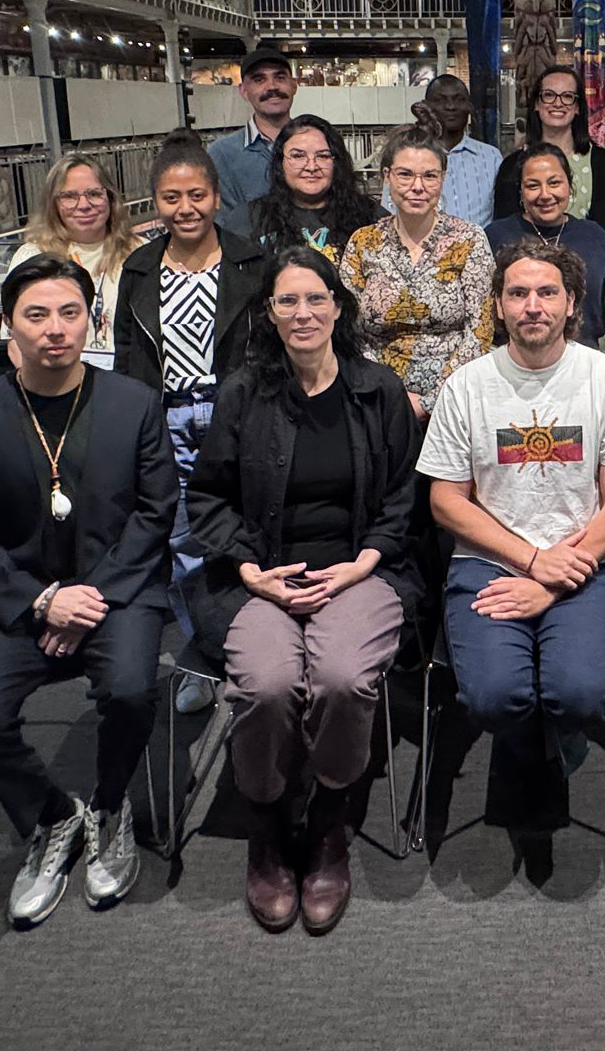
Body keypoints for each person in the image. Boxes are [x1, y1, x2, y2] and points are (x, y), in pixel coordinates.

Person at [181, 247, 422, 935]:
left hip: (362, 571)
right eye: (287, 301)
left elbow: (405, 497)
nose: (302, 312)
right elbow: (209, 499)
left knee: (344, 677)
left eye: (315, 298)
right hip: (261, 574)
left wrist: (362, 564)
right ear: (268, 313)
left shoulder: (378, 390)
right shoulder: (242, 394)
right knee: (266, 682)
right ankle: (265, 819)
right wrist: (254, 573)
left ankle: (325, 824)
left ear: (338, 307)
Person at [0, 254, 176, 927]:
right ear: (8, 325)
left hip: (118, 591)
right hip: (19, 600)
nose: (55, 330)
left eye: (70, 313)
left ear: (90, 319)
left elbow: (156, 514)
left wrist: (86, 599)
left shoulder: (133, 403)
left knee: (131, 690)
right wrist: (42, 602)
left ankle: (109, 802)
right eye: (36, 315)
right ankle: (53, 815)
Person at [417, 238, 605, 841]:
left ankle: (556, 743)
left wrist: (555, 577)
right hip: (488, 563)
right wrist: (531, 561)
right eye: (517, 293)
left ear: (572, 303)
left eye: (547, 292)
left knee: (580, 694)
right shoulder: (466, 386)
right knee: (495, 697)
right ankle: (529, 747)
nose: (532, 306)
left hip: (586, 561)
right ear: (497, 305)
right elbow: (445, 499)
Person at [112, 131, 265, 714]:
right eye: (171, 197)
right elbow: (130, 356)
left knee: (242, 531)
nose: (186, 208)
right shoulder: (140, 268)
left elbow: (266, 348)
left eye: (196, 194)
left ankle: (253, 646)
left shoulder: (250, 261)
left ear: (216, 195)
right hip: (166, 418)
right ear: (155, 202)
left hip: (233, 415)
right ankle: (205, 654)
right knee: (181, 541)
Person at [340, 131, 495, 422]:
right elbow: (349, 329)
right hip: (377, 398)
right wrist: (392, 395)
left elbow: (480, 330)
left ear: (443, 178)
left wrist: (431, 402)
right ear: (387, 176)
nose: (417, 187)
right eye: (405, 175)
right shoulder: (364, 242)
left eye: (429, 176)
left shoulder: (469, 239)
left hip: (457, 399)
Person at [8, 153, 138, 369]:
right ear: (53, 203)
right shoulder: (32, 256)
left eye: (94, 194)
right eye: (69, 196)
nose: (84, 205)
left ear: (111, 198)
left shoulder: (140, 252)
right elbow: (14, 342)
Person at [486, 144, 605, 348]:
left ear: (570, 187)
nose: (545, 194)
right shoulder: (496, 237)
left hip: (583, 358)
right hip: (513, 358)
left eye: (554, 183)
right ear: (520, 191)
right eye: (533, 186)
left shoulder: (595, 238)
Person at [492, 65, 605, 234]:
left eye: (567, 96)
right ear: (536, 105)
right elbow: (505, 233)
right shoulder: (512, 165)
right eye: (549, 95)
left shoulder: (602, 163)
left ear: (577, 107)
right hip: (525, 258)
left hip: (587, 258)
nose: (558, 103)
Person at [238, 113, 381, 262]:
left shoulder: (371, 217)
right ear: (281, 163)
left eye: (323, 156)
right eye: (298, 156)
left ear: (336, 163)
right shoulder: (248, 219)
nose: (311, 166)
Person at [393, 72, 499, 226]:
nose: (450, 106)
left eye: (459, 100)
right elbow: (389, 211)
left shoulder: (491, 157)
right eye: (440, 100)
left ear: (470, 106)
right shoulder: (404, 157)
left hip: (478, 248)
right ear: (426, 106)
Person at [211, 49, 299, 232]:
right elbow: (225, 224)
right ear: (243, 91)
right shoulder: (222, 155)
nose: (272, 86)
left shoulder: (319, 145)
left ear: (294, 86)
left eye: (280, 77)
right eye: (259, 79)